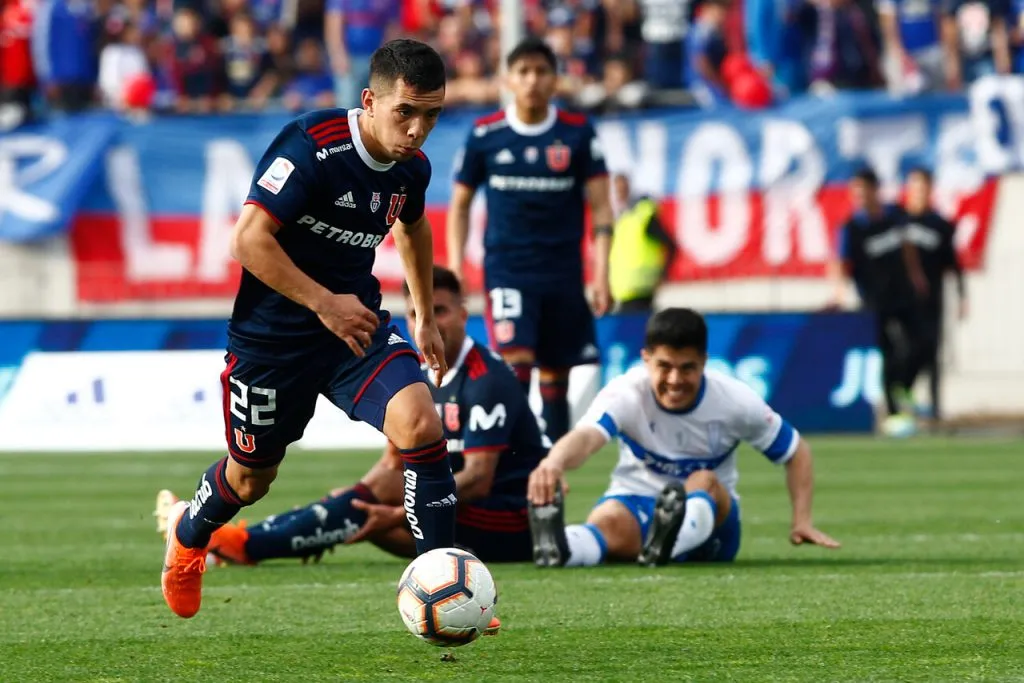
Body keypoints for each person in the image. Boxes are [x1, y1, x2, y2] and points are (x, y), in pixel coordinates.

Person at [161, 39, 454, 620]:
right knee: (249, 481)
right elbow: (247, 241)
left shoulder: (410, 169)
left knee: (420, 425)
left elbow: (414, 231)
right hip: (272, 342)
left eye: (432, 115)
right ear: (370, 100)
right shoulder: (312, 146)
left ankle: (445, 588)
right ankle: (188, 535)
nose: (418, 130)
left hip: (356, 332)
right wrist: (325, 303)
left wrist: (422, 314)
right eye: (406, 112)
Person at [526, 308, 840, 568]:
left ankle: (668, 545)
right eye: (664, 367)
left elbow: (796, 451)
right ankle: (562, 549)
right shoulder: (626, 392)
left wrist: (802, 520)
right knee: (606, 521)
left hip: (712, 526)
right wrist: (553, 463)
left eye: (687, 368)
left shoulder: (734, 401)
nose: (675, 380)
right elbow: (587, 437)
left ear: (704, 361)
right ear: (646, 359)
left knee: (704, 480)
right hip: (637, 503)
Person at [446, 37, 614, 444]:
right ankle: (514, 463)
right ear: (508, 79)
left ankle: (551, 476)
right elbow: (460, 205)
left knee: (556, 371)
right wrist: (455, 266)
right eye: (523, 72)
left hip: (562, 271)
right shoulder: (486, 133)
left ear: (555, 80)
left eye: (541, 72)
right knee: (516, 360)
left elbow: (602, 208)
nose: (533, 80)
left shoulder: (577, 133)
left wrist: (602, 274)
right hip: (508, 268)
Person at [826, 167, 929, 435]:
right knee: (889, 353)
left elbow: (908, 247)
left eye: (863, 190)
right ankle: (894, 413)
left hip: (903, 294)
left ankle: (903, 386)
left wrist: (916, 276)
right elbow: (839, 262)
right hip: (874, 301)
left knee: (921, 343)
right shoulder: (851, 227)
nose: (859, 196)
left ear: (874, 190)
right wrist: (839, 293)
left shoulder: (894, 215)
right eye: (854, 191)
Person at [902, 167, 967, 420]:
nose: (919, 193)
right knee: (907, 350)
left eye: (923, 188)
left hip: (932, 299)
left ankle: (935, 407)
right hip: (903, 302)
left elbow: (954, 264)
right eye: (914, 187)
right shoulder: (898, 221)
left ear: (930, 190)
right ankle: (901, 395)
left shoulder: (940, 225)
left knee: (932, 351)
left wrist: (962, 296)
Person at [608, 173, 677, 313]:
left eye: (623, 187)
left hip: (641, 291)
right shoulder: (622, 218)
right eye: (617, 188)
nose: (620, 192)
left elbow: (670, 245)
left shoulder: (643, 215)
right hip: (623, 293)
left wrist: (663, 274)